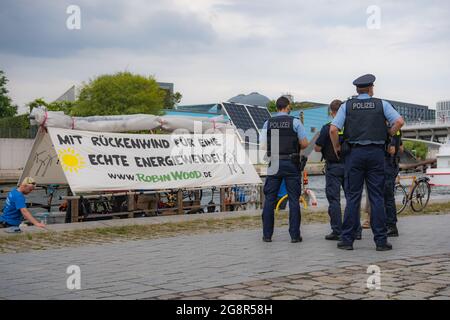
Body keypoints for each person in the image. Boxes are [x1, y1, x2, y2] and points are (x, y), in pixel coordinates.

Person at [330, 74, 404, 251]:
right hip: (376, 154)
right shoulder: (381, 104)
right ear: (371, 89)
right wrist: (389, 134)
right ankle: (380, 241)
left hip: (354, 154)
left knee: (353, 197)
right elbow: (399, 121)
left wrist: (337, 148)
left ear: (357, 89)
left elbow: (333, 129)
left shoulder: (346, 105)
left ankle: (347, 240)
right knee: (377, 197)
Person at [260, 96, 309, 243]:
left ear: (276, 107)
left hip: (274, 162)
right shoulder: (295, 122)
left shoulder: (267, 123)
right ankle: (295, 236)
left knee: (269, 199)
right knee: (294, 199)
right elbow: (305, 143)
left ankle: (267, 235)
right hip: (291, 162)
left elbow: (262, 145)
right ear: (287, 107)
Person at [315, 100, 362, 241]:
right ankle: (356, 230)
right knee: (352, 198)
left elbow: (317, 148)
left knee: (334, 200)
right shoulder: (351, 127)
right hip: (350, 166)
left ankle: (337, 231)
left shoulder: (327, 128)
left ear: (331, 112)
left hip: (333, 167)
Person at [384, 129, 403, 237]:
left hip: (387, 164)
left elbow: (391, 150)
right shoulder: (397, 130)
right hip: (393, 164)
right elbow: (401, 148)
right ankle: (390, 225)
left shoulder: (388, 130)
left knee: (387, 197)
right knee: (389, 197)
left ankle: (391, 226)